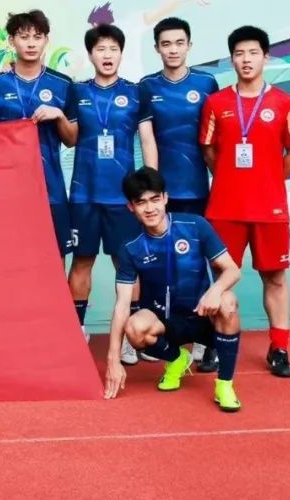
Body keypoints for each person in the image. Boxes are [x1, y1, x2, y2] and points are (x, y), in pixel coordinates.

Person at [200, 26, 290, 378]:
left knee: (275, 277)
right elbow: (209, 150)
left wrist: (269, 179)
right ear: (231, 59)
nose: (246, 60)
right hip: (225, 207)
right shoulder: (216, 103)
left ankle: (279, 348)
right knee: (221, 277)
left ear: (266, 57)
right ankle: (215, 343)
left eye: (253, 53)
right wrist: (231, 178)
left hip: (270, 208)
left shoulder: (285, 103)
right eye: (239, 54)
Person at [105, 167, 243, 413]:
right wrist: (113, 359)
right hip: (165, 323)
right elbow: (122, 305)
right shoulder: (130, 246)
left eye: (155, 199)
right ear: (131, 207)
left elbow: (232, 270)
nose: (150, 208)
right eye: (141, 202)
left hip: (203, 315)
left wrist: (215, 290)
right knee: (134, 327)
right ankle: (177, 358)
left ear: (165, 198)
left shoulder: (195, 226)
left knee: (227, 301)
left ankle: (224, 385)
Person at [67, 23, 158, 365]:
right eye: (100, 49)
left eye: (113, 49)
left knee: (127, 263)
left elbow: (147, 139)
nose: (107, 55)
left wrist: (151, 187)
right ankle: (76, 329)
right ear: (91, 55)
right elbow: (68, 136)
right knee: (82, 261)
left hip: (123, 198)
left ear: (121, 53)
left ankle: (132, 336)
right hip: (84, 195)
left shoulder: (136, 92)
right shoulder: (76, 92)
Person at [138, 17, 221, 370]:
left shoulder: (206, 83)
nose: (173, 49)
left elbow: (215, 138)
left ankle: (207, 339)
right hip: (163, 193)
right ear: (157, 48)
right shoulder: (147, 86)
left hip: (198, 188)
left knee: (199, 263)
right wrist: (154, 188)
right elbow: (148, 139)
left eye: (179, 43)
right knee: (163, 263)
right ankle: (166, 333)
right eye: (166, 44)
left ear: (189, 45)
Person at [0, 11, 75, 256]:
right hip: (7, 190)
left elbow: (72, 139)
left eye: (37, 37)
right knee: (10, 257)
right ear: (11, 41)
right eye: (24, 37)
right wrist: (8, 133)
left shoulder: (63, 84)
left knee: (55, 257)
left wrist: (59, 116)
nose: (31, 43)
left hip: (50, 189)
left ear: (46, 41)